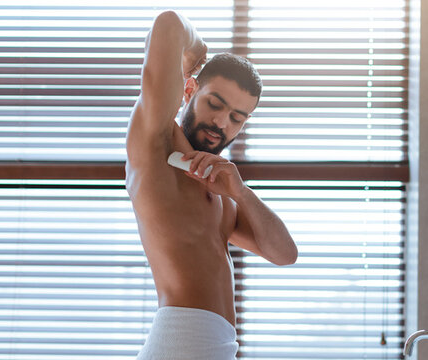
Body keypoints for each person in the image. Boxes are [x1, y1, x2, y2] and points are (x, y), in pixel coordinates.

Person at [125, 10, 298, 360]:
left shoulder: (221, 190)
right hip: (181, 344)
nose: (221, 122)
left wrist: (241, 192)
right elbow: (169, 24)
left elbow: (284, 254)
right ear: (189, 90)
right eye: (214, 104)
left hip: (215, 347)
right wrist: (195, 53)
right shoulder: (156, 140)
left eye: (237, 118)